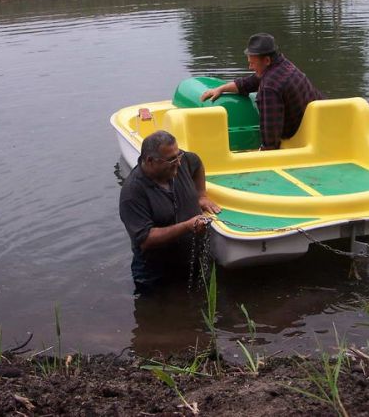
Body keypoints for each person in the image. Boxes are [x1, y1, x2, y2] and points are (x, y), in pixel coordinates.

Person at [119, 130, 220, 292]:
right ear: (150, 161)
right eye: (172, 159)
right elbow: (145, 239)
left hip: (192, 260)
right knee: (155, 313)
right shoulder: (132, 193)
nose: (179, 163)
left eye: (178, 155)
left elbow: (196, 162)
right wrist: (187, 226)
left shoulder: (181, 161)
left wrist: (202, 194)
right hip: (156, 272)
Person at [201, 33, 323, 150]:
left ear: (267, 61)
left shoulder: (270, 87)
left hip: (298, 137)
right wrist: (221, 88)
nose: (250, 67)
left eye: (252, 63)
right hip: (319, 124)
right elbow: (251, 82)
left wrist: (262, 152)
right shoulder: (283, 65)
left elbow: (271, 138)